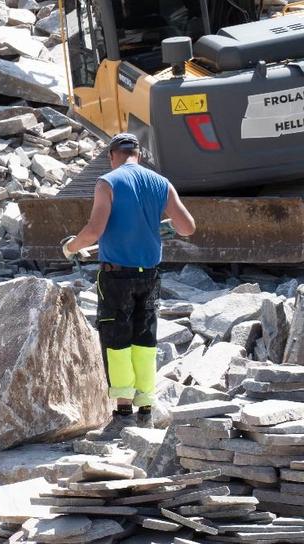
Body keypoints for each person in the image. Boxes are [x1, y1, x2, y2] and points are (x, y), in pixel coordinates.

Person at [63, 133, 196, 435]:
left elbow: (94, 230)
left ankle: (123, 411)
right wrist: (161, 225)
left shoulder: (107, 182)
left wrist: (71, 247)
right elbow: (187, 228)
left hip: (116, 276)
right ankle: (145, 408)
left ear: (112, 156)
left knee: (116, 339)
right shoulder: (161, 183)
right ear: (138, 154)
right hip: (149, 275)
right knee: (145, 338)